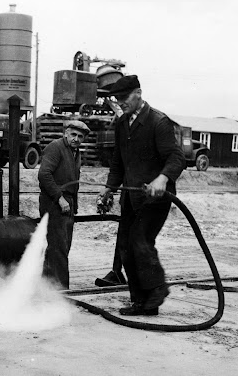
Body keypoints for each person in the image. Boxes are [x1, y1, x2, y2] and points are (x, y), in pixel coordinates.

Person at [98, 75, 186, 316]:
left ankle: (157, 289)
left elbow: (176, 157)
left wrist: (163, 178)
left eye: (124, 98)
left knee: (140, 241)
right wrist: (110, 187)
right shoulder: (122, 123)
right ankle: (142, 303)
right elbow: (119, 160)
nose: (121, 103)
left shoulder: (159, 122)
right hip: (131, 196)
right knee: (125, 247)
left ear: (138, 93)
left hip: (155, 198)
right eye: (117, 99)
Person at [38, 120, 91, 289]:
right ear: (65, 133)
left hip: (67, 203)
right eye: (73, 134)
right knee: (59, 247)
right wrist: (60, 199)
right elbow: (44, 175)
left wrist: (73, 204)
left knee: (62, 246)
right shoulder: (55, 147)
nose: (76, 139)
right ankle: (60, 290)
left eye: (80, 137)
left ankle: (47, 285)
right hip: (54, 202)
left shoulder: (75, 152)